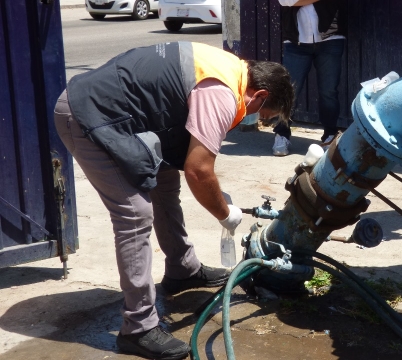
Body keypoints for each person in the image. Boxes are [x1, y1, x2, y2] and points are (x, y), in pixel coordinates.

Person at [53, 42, 293, 360]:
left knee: (164, 180)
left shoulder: (231, 68)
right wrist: (225, 214)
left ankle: (182, 269)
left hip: (124, 114)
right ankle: (138, 328)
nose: (257, 121)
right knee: (134, 212)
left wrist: (217, 196)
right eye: (264, 115)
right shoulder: (221, 93)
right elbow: (198, 170)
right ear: (260, 95)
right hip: (87, 114)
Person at [273, 0, 347, 156]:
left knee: (329, 92)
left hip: (330, 38)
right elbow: (286, 1)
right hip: (295, 42)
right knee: (289, 91)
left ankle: (329, 135)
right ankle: (282, 134)